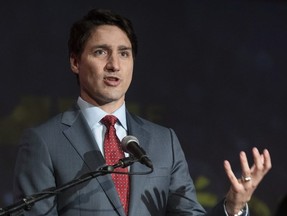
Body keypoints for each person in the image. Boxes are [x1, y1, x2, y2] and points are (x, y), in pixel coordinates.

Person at [12, 8, 272, 216]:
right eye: (101, 52)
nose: (114, 64)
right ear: (75, 62)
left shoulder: (164, 141)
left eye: (124, 53)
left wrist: (232, 207)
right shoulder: (44, 142)